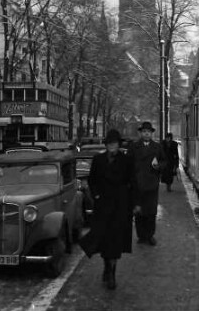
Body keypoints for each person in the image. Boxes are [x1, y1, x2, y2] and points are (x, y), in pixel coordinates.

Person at [78, 129, 135, 290]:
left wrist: (132, 204)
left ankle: (112, 274)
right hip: (102, 206)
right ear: (106, 145)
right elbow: (92, 180)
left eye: (115, 143)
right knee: (104, 240)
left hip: (120, 206)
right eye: (109, 143)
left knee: (115, 243)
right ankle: (106, 267)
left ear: (119, 145)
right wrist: (95, 196)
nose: (112, 146)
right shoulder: (98, 159)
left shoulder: (126, 160)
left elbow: (132, 182)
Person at [127, 121, 167, 246]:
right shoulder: (133, 147)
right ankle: (141, 236)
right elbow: (128, 163)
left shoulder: (157, 147)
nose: (146, 134)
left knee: (151, 212)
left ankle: (150, 235)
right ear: (141, 133)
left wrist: (158, 166)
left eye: (148, 132)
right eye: (144, 132)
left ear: (151, 134)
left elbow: (164, 161)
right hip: (137, 184)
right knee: (139, 212)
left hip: (151, 184)